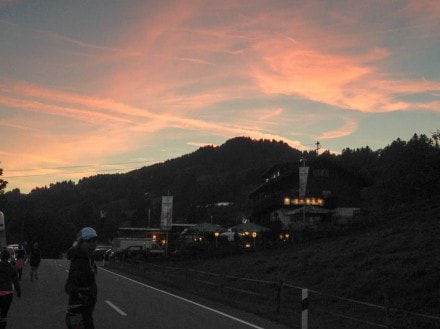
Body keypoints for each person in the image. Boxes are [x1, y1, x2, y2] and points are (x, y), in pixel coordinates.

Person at [65, 227, 98, 329]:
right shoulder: (79, 261)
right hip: (77, 313)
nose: (93, 244)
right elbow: (68, 285)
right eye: (88, 241)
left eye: (94, 240)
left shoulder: (87, 258)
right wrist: (79, 293)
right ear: (80, 243)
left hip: (85, 311)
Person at [0, 249, 21, 328]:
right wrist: (18, 292)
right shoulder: (11, 268)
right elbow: (15, 281)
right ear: (8, 257)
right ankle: (3, 324)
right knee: (4, 313)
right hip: (7, 294)